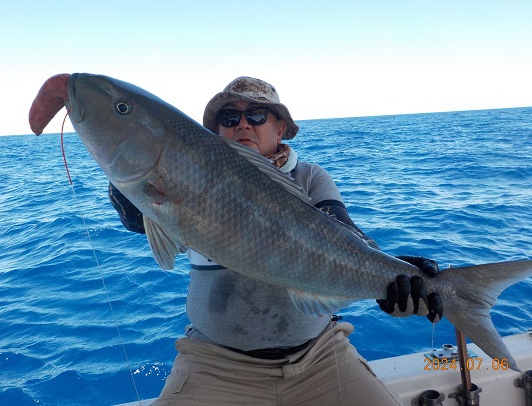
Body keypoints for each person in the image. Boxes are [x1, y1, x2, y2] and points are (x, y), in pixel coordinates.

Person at [109, 77, 442, 405]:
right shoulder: (183, 177)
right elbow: (141, 220)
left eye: (256, 115)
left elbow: (342, 230)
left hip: (321, 355)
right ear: (217, 130)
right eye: (229, 118)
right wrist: (130, 195)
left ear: (280, 128)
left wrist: (393, 277)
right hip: (215, 363)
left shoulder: (310, 177)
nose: (243, 125)